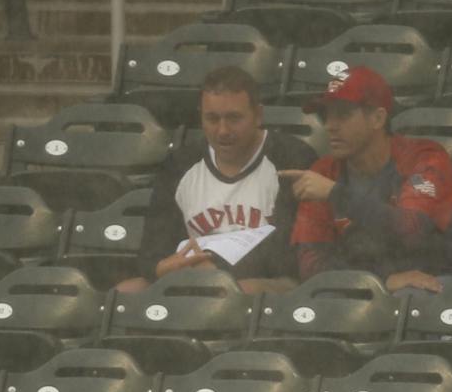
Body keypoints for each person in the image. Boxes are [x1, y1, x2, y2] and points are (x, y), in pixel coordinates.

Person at [118, 66, 315, 295]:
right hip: (193, 277)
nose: (222, 130)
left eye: (233, 118)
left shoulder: (291, 158)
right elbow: (152, 248)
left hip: (260, 284)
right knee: (125, 292)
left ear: (258, 115)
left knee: (234, 291)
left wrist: (221, 271)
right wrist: (163, 268)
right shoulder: (181, 164)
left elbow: (289, 256)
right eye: (212, 119)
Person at [285, 65, 452, 292]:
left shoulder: (423, 160)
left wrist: (336, 195)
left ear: (378, 118)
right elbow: (310, 266)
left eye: (343, 114)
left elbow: (413, 232)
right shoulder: (324, 172)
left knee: (410, 295)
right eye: (325, 116)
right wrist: (381, 281)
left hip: (433, 282)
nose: (330, 126)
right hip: (368, 288)